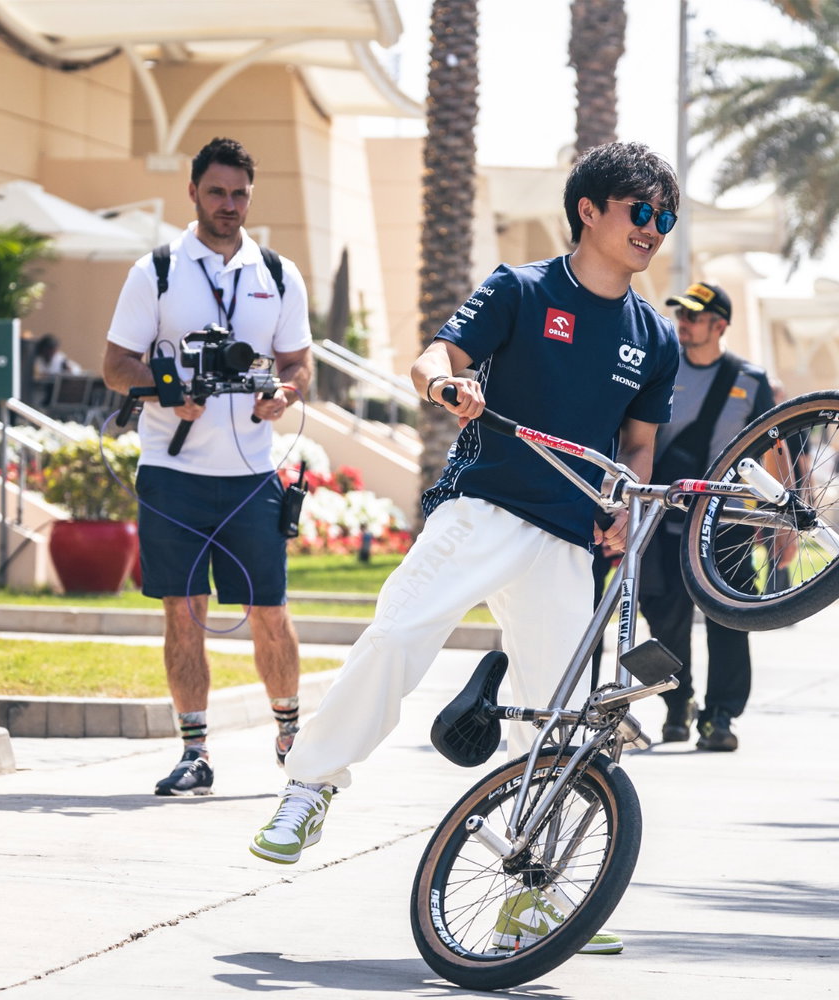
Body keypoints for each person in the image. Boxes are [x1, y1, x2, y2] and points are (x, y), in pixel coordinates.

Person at [247, 142, 682, 957]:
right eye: (641, 213)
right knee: (399, 632)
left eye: (665, 218)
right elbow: (432, 357)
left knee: (557, 715)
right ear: (589, 211)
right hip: (482, 508)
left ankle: (537, 892)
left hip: (568, 539)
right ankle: (309, 786)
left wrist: (629, 506)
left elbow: (640, 446)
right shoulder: (520, 290)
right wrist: (447, 383)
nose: (654, 230)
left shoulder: (653, 338)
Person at [102, 137, 313, 796]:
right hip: (172, 474)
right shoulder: (156, 271)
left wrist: (283, 393)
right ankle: (195, 751)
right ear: (192, 192)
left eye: (240, 193)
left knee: (269, 613)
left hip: (252, 474)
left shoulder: (276, 273)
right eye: (217, 192)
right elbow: (116, 365)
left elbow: (298, 362)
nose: (230, 204)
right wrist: (167, 390)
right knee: (182, 614)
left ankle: (291, 739)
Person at [640, 281, 775, 752]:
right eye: (681, 314)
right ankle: (677, 705)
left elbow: (772, 452)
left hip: (731, 522)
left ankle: (720, 717)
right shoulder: (661, 368)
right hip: (665, 519)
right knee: (661, 619)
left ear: (720, 325)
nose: (683, 322)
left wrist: (780, 518)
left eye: (694, 316)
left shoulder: (751, 381)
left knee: (730, 622)